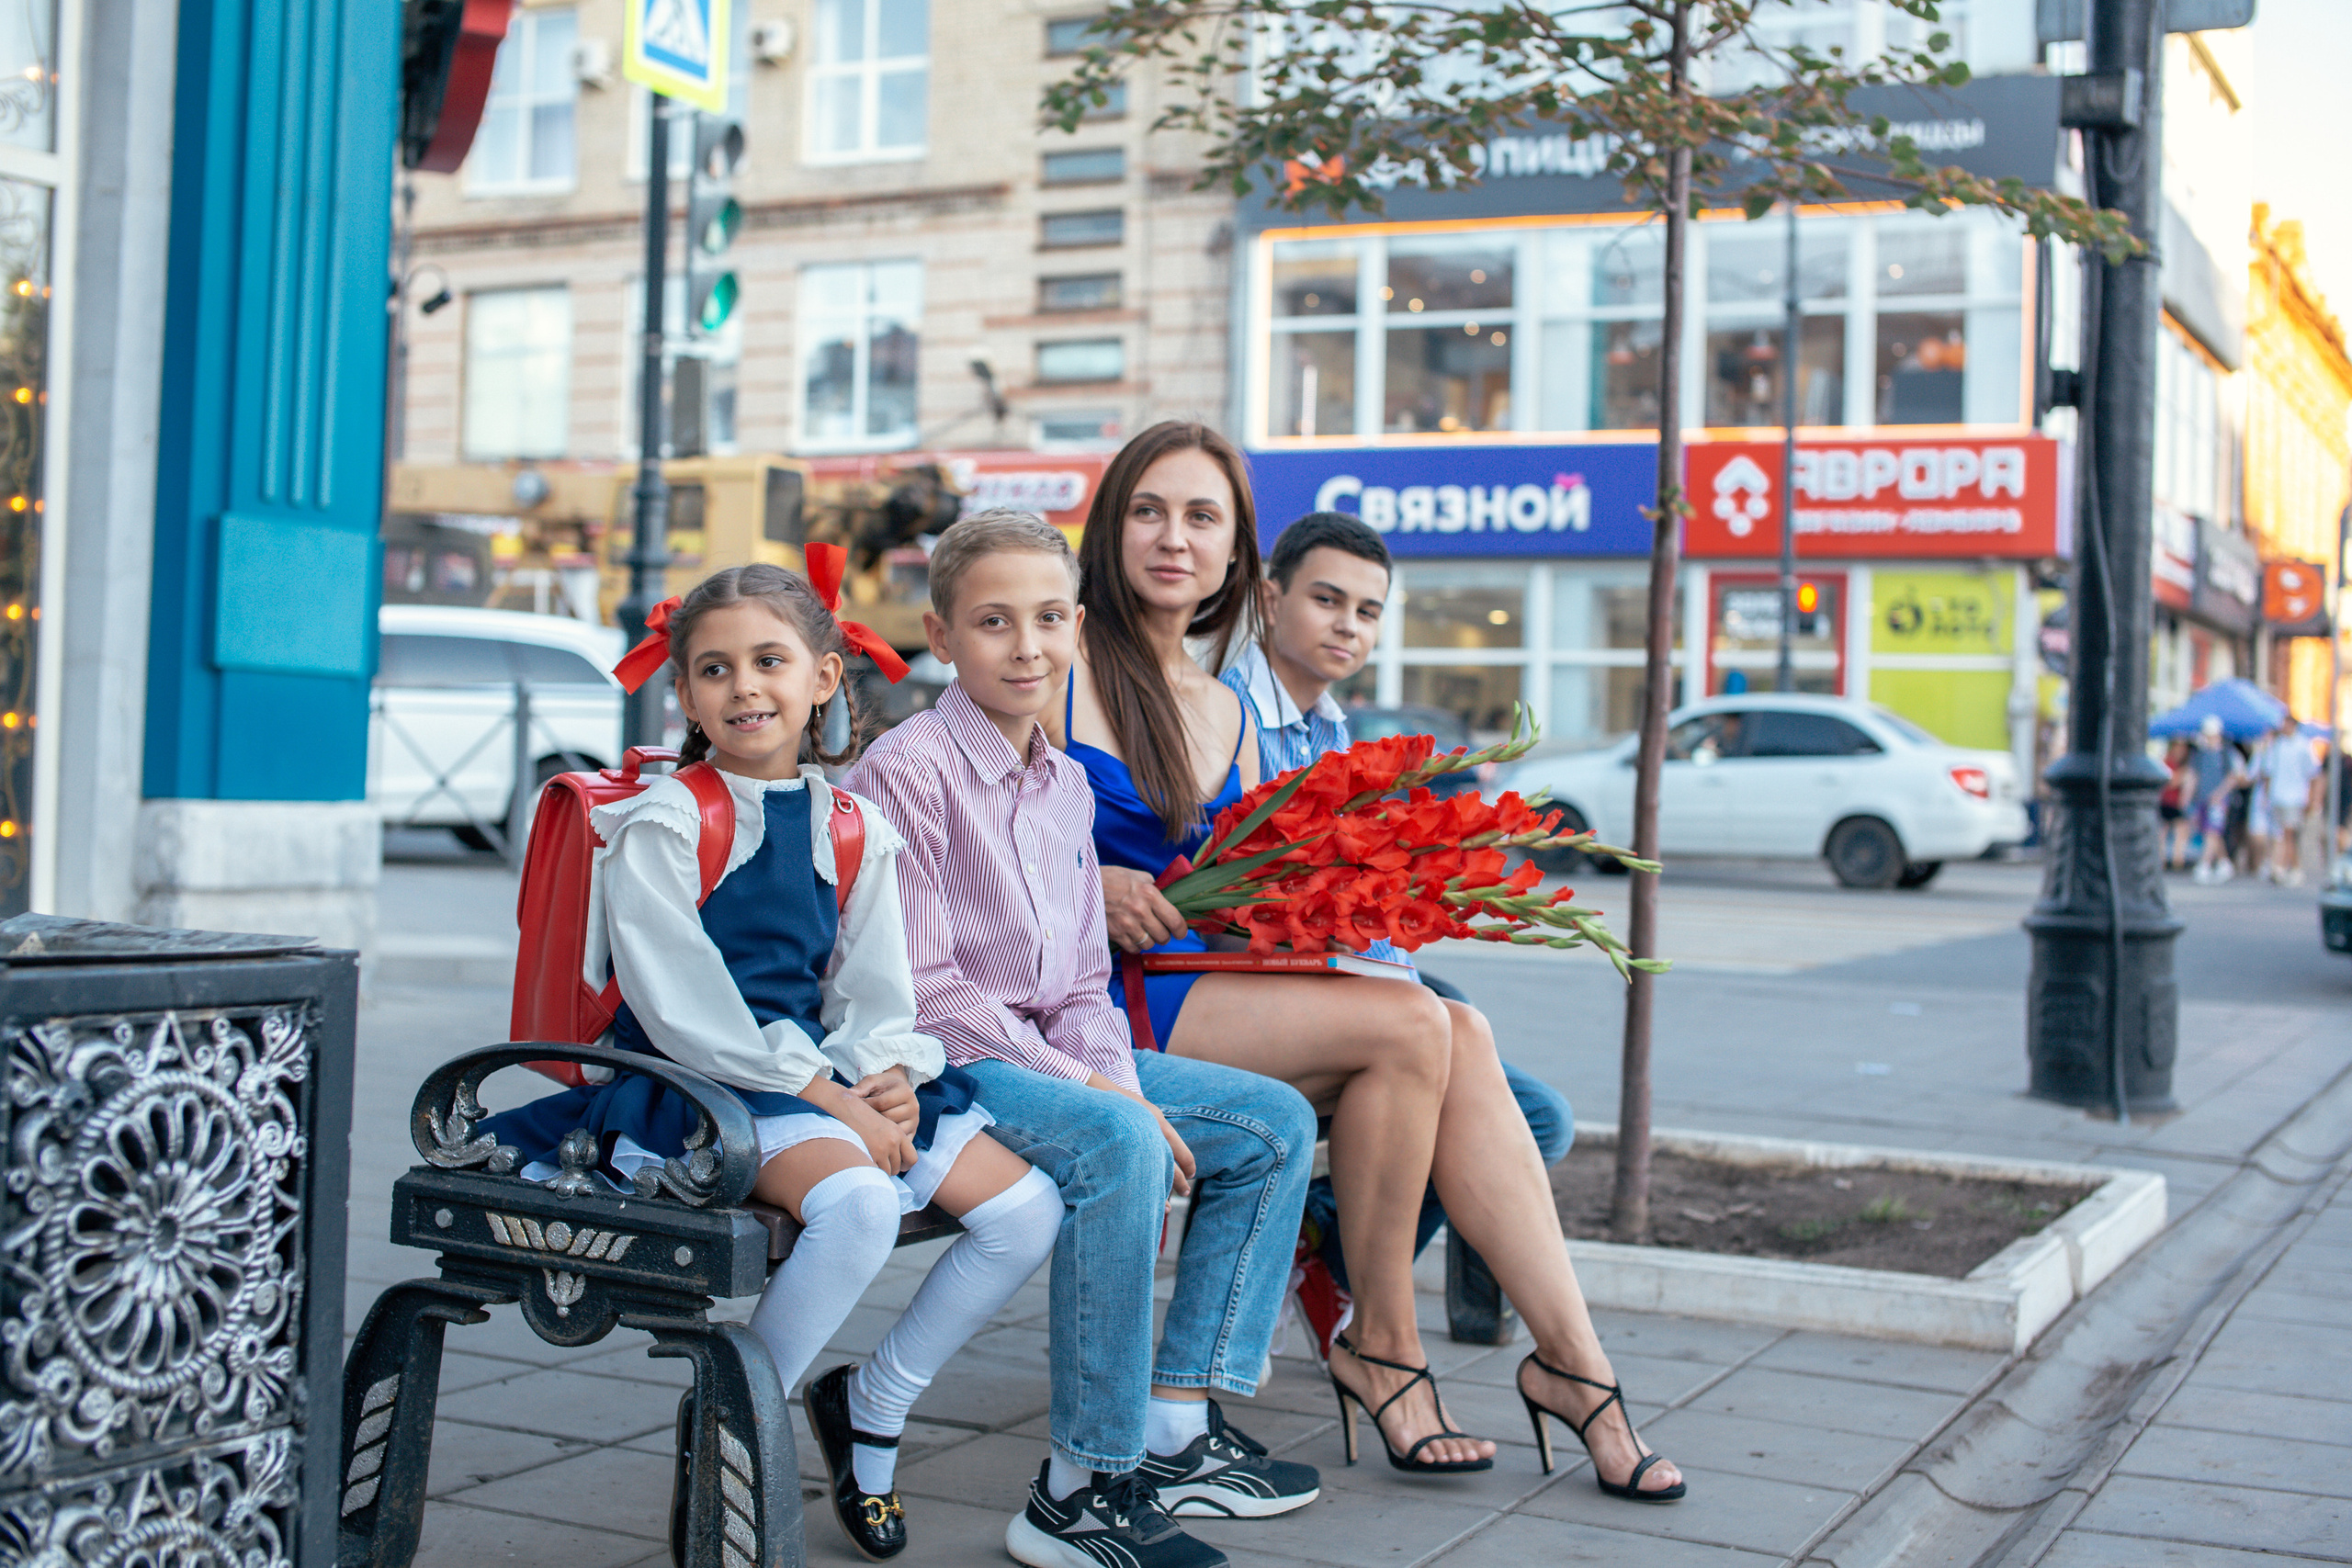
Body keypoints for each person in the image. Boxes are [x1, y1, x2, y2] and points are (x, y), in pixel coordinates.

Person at [1050, 420, 1684, 1501]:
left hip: (1205, 976)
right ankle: (1383, 1338)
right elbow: (948, 838)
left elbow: (1251, 893)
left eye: (1202, 517)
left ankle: (1575, 1365)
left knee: (1457, 1028)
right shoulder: (1054, 661)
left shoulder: (1218, 706)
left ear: (1234, 552)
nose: (1173, 538)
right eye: (1150, 510)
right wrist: (1083, 883)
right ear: (1111, 526)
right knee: (1414, 1025)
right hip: (1095, 998)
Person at [485, 564, 1064, 1563]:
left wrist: (888, 1073)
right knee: (859, 1204)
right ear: (686, 696)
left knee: (1024, 1212)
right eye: (714, 669)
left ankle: (873, 1407)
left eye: (768, 661)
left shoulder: (852, 825)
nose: (744, 687)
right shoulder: (665, 823)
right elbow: (681, 1011)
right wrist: (833, 1100)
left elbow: (873, 989)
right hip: (700, 1085)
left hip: (815, 1072)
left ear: (823, 677)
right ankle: (730, 1431)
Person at [848, 510, 1319, 1568]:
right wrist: (1110, 1102)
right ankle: (1080, 1490)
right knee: (1119, 1146)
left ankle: (1171, 1429)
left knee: (1272, 1123)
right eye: (994, 622)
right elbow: (927, 994)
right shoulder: (905, 771)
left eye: (1050, 619)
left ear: (1076, 626)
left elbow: (1078, 984)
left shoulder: (1063, 782)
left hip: (1045, 1053)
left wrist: (1112, 1075)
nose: (1026, 647)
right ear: (941, 635)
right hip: (945, 1064)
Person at [1216, 510, 1576, 1352]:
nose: (1348, 624)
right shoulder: (1225, 714)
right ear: (1271, 601)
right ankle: (1342, 1289)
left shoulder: (1330, 725)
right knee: (1486, 1083)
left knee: (1537, 1113)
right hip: (1261, 992)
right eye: (1328, 599)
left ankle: (1329, 1261)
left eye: (1368, 611)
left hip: (1347, 981)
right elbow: (1247, 899)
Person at [2257, 716, 2320, 886]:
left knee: (2288, 832)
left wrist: (2312, 798)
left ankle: (2284, 867)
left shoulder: (2303, 745)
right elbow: (2268, 772)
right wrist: (2266, 795)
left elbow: (2313, 774)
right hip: (2278, 796)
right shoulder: (2277, 745)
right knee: (2280, 834)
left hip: (2295, 796)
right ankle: (2286, 867)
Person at [2191, 715, 2243, 885]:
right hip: (2203, 798)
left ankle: (2204, 865)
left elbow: (2232, 777)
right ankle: (2224, 863)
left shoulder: (2225, 754)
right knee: (2212, 832)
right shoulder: (2201, 754)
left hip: (2219, 800)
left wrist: (2220, 795)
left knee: (2212, 832)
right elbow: (2194, 776)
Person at [2158, 739, 2192, 870]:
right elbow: (2171, 781)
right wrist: (2183, 774)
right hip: (2167, 801)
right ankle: (2165, 861)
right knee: (2164, 832)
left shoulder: (2180, 763)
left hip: (2176, 802)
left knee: (2180, 830)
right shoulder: (2168, 762)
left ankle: (2177, 860)